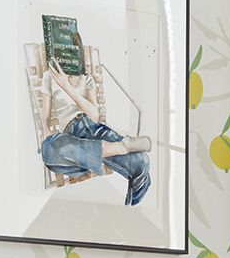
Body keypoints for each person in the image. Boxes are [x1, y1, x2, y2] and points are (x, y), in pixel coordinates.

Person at [39, 56, 151, 206]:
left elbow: (94, 115)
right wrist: (47, 132)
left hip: (91, 128)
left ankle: (130, 208)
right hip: (70, 137)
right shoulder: (49, 76)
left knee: (142, 163)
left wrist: (67, 87)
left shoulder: (86, 78)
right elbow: (44, 115)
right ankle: (121, 147)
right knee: (49, 150)